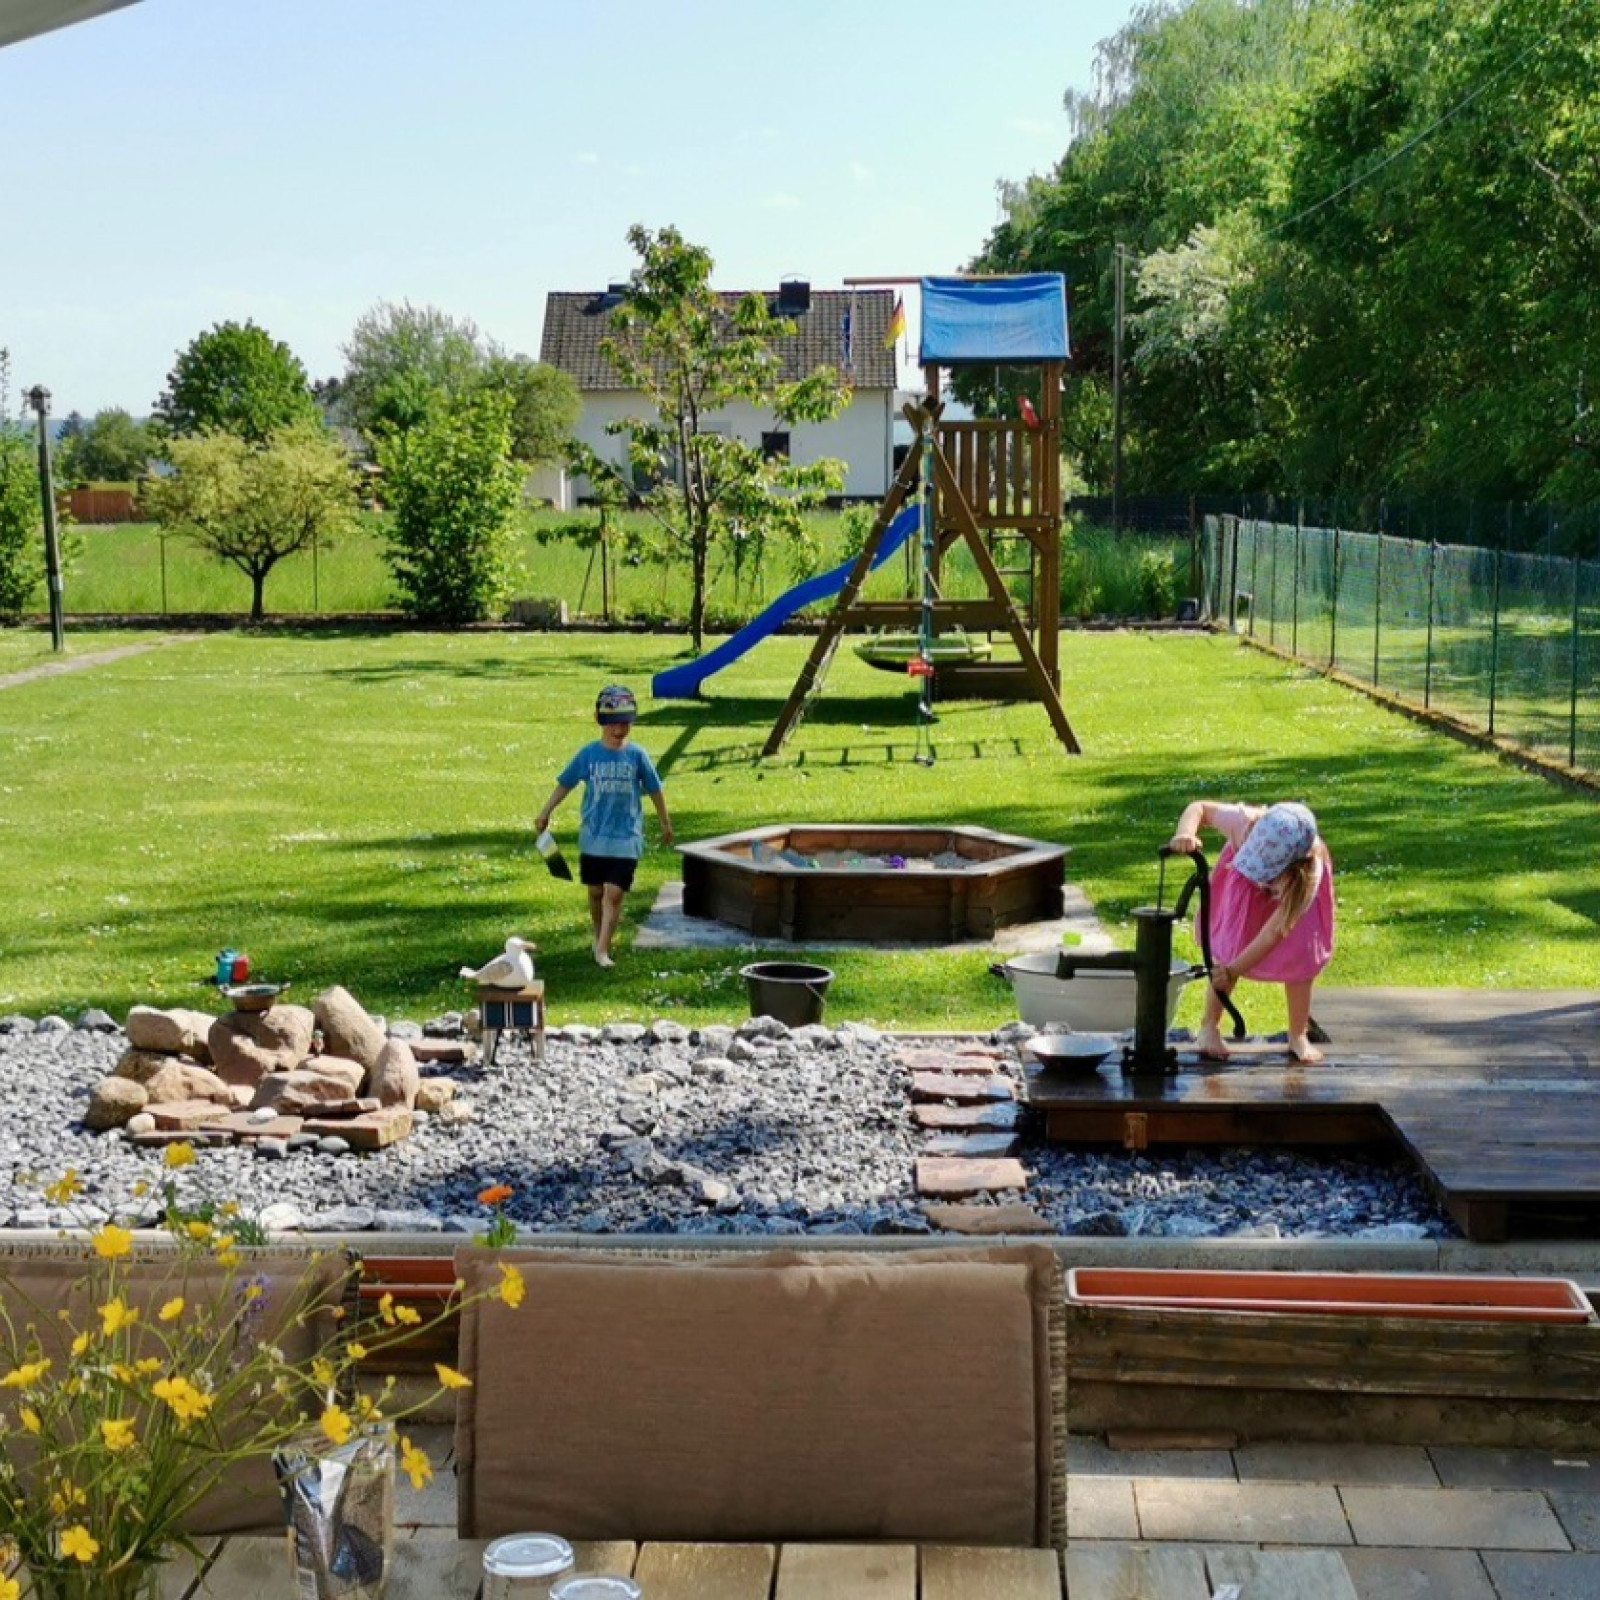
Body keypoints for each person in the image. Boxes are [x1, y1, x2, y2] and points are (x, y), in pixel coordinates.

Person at [1167, 799, 1335, 1064]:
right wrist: (1185, 833)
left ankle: (1298, 1034)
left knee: (1301, 957)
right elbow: (1199, 807)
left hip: (1290, 903)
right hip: (1244, 894)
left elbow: (1274, 933)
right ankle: (1209, 1027)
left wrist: (1234, 971)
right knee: (1230, 949)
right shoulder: (1244, 822)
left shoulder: (1307, 873)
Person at [534, 685, 673, 969]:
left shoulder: (637, 756)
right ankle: (599, 935)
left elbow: (655, 789)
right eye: (613, 724)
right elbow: (566, 783)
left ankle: (602, 950)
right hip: (594, 836)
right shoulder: (589, 755)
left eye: (625, 723)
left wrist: (665, 823)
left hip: (627, 836)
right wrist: (546, 812)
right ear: (600, 721)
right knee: (596, 892)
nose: (619, 730)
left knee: (615, 893)